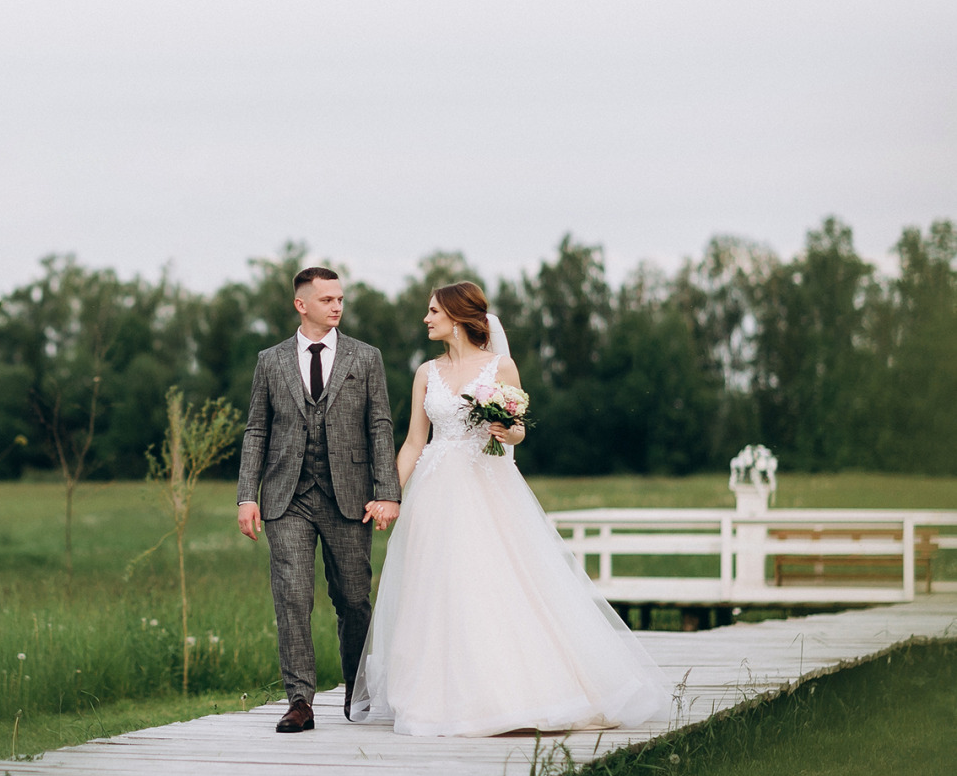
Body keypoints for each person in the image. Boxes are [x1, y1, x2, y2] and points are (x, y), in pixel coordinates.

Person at [349, 281, 670, 736]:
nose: (426, 319)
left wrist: (509, 432)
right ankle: (437, 694)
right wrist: (389, 494)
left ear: (458, 317)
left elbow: (518, 429)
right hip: (434, 489)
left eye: (433, 311)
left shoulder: (501, 366)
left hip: (484, 486)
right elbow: (414, 442)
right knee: (434, 587)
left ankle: (506, 691)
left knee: (488, 583)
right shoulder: (426, 372)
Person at [236, 267, 402, 733]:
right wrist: (247, 495)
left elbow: (380, 427)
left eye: (341, 299)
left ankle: (357, 689)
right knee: (291, 597)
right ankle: (300, 701)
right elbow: (257, 430)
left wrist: (387, 492)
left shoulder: (365, 358)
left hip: (349, 497)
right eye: (327, 299)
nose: (337, 306)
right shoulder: (270, 361)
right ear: (301, 304)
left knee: (352, 599)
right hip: (286, 496)